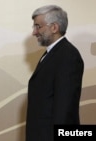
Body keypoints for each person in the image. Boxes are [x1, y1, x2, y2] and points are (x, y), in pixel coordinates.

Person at [25, 5, 84, 141]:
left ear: (54, 27)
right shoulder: (53, 53)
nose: (34, 32)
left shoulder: (68, 56)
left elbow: (65, 108)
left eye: (38, 26)